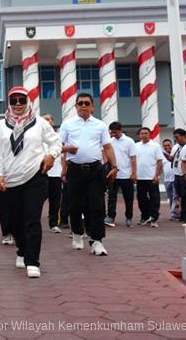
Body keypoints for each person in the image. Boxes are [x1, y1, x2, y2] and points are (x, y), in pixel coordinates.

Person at [0, 87, 61, 278]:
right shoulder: (0, 126)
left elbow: (56, 142)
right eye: (14, 101)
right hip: (10, 180)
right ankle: (21, 250)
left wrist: (51, 156)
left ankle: (33, 261)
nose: (18, 104)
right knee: (15, 220)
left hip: (34, 177)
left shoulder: (39, 123)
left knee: (32, 218)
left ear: (28, 101)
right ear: (9, 103)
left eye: (22, 100)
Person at [59, 93, 117, 256]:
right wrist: (68, 150)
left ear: (92, 107)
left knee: (97, 205)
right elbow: (57, 145)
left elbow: (107, 147)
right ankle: (77, 234)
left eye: (86, 103)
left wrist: (114, 166)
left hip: (95, 170)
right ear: (76, 106)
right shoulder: (67, 124)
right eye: (80, 103)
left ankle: (97, 240)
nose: (83, 106)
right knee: (75, 205)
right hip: (75, 170)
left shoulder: (100, 125)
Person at [104, 122, 137, 228]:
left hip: (126, 174)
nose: (113, 134)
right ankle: (110, 216)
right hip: (113, 174)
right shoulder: (110, 142)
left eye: (115, 132)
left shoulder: (129, 141)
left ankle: (129, 217)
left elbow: (133, 158)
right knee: (111, 197)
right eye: (111, 132)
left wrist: (134, 173)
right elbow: (106, 155)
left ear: (120, 130)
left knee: (128, 197)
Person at [134, 127, 165, 227]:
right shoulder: (135, 146)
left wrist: (157, 175)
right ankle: (145, 216)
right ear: (139, 135)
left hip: (151, 177)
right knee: (141, 198)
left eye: (146, 133)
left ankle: (154, 218)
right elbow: (133, 160)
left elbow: (160, 161)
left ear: (149, 134)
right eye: (142, 133)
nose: (144, 135)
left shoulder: (155, 146)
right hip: (140, 177)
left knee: (154, 198)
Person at [42, 114, 65, 234]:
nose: (46, 121)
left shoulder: (58, 137)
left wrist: (64, 169)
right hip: (41, 174)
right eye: (44, 119)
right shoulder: (37, 136)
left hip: (55, 173)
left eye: (48, 119)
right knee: (37, 200)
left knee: (55, 201)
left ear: (52, 121)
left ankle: (54, 224)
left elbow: (63, 154)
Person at [169, 129, 186, 221]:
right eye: (175, 138)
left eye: (177, 137)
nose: (176, 140)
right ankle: (180, 214)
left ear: (184, 136)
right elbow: (172, 159)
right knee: (178, 196)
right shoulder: (176, 147)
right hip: (176, 174)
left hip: (185, 175)